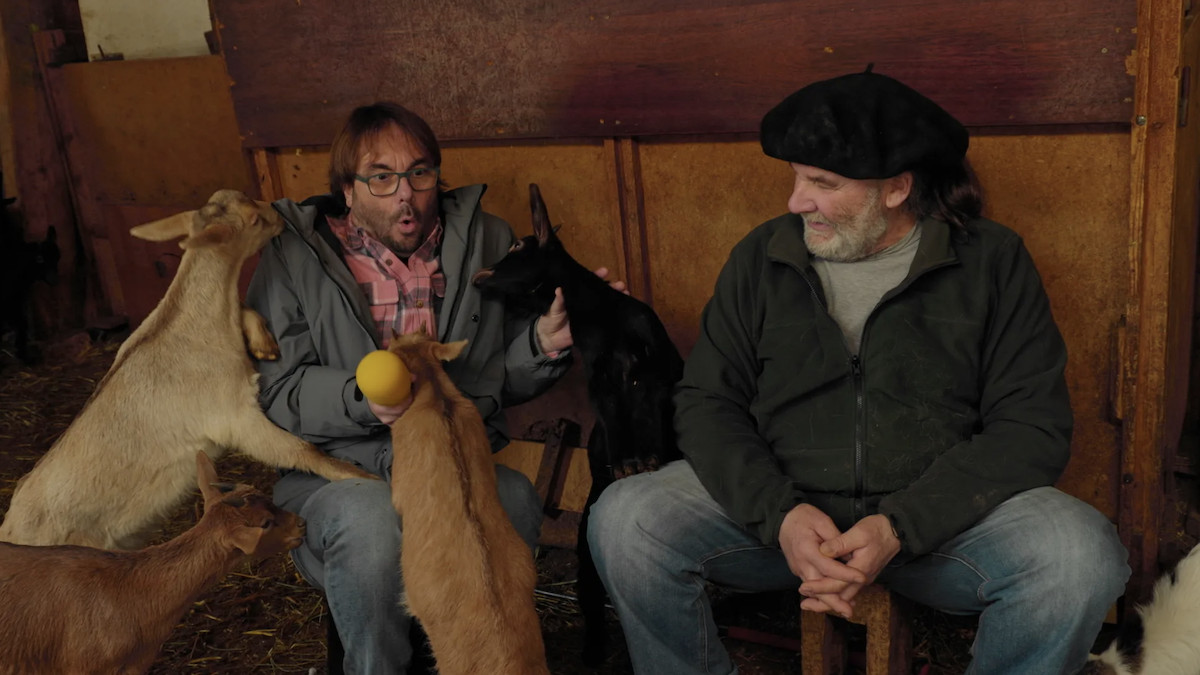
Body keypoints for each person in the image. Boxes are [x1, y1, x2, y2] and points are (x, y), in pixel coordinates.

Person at [586, 68, 1131, 674]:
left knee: (1079, 556)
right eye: (796, 178)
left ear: (897, 189)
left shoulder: (991, 262)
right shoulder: (762, 257)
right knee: (626, 518)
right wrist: (782, 516)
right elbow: (707, 401)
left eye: (822, 183)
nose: (797, 201)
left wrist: (901, 525)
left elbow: (1031, 426)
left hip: (938, 531)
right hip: (783, 526)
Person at [245, 101, 577, 674]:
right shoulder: (291, 257)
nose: (406, 194)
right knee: (371, 526)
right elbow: (277, 393)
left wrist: (542, 347)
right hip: (339, 473)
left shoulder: (485, 239)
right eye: (382, 177)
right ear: (347, 190)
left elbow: (489, 380)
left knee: (517, 499)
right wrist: (360, 399)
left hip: (450, 468)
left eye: (420, 173)